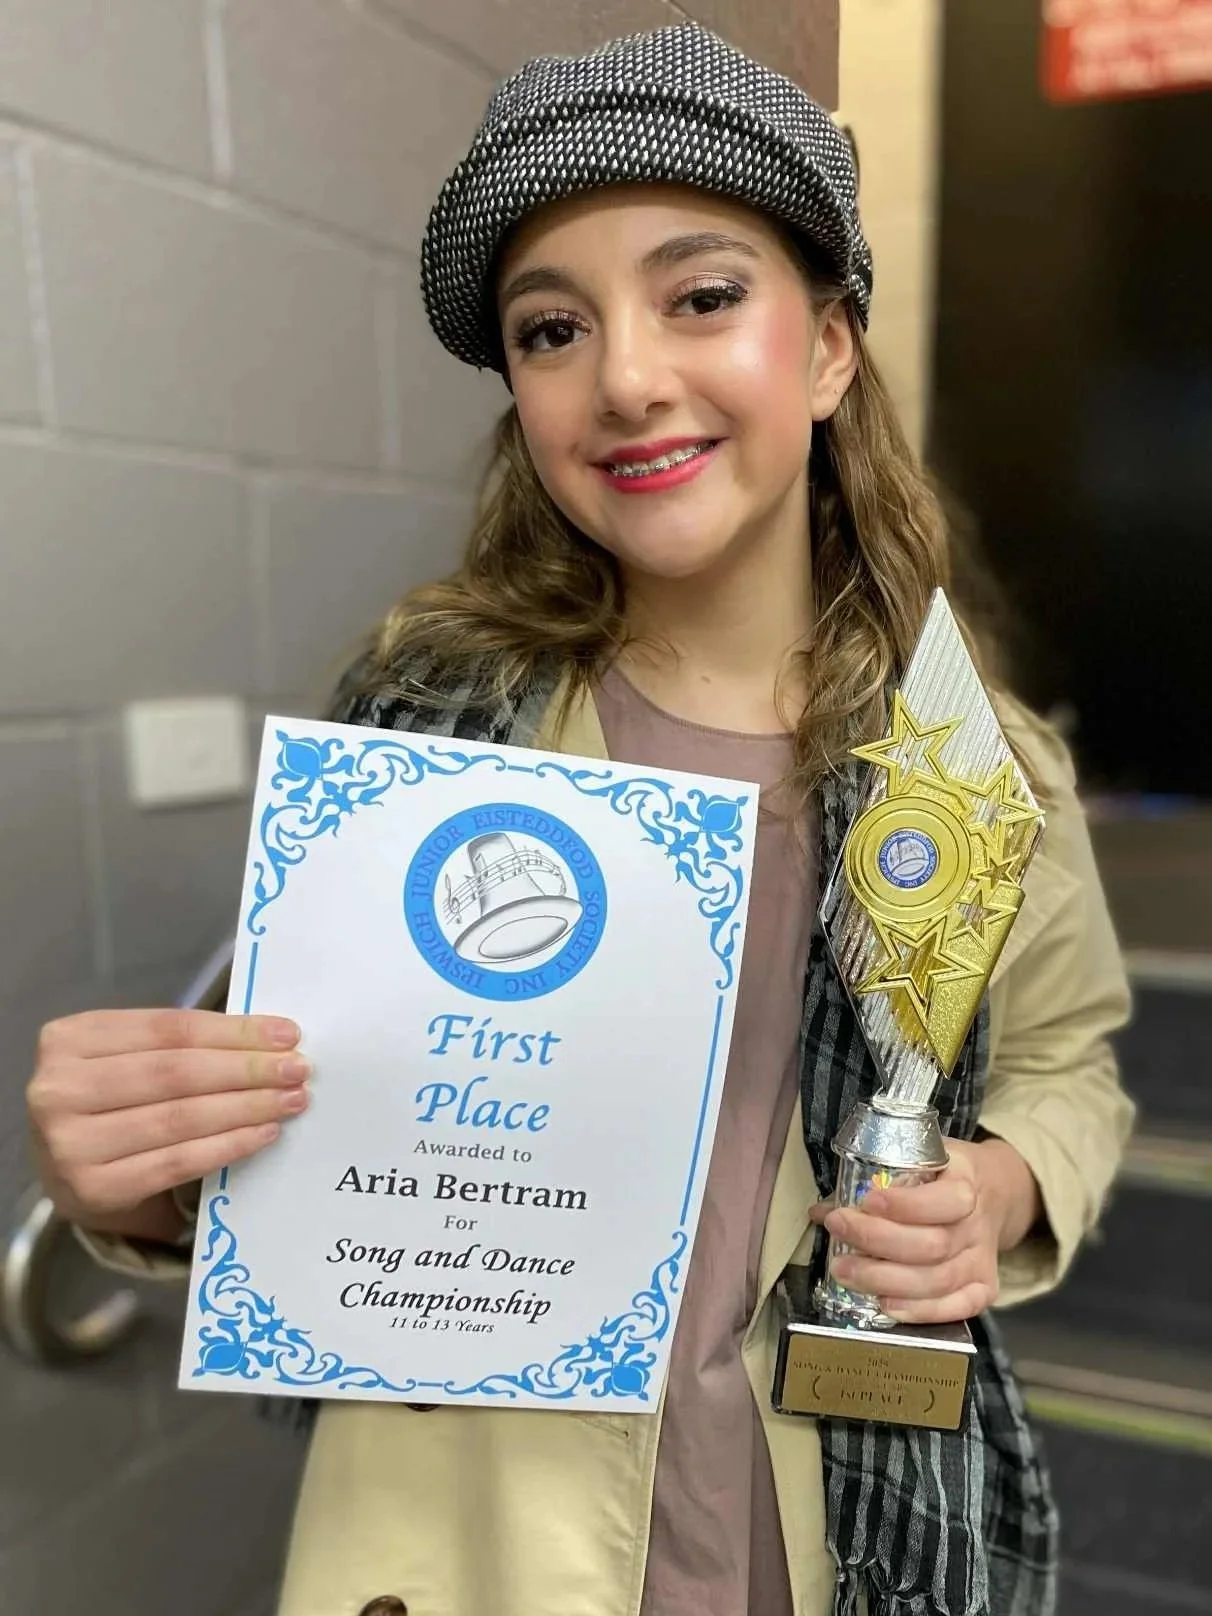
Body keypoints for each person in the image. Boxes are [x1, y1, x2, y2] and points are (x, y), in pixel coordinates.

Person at [25, 21, 1133, 1616]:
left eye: (702, 295)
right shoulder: (425, 730)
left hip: (824, 1528)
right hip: (469, 1537)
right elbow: (325, 1142)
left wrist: (1009, 1184)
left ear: (826, 349)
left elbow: (1067, 1061)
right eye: (552, 329)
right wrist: (136, 1176)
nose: (624, 378)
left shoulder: (975, 768)